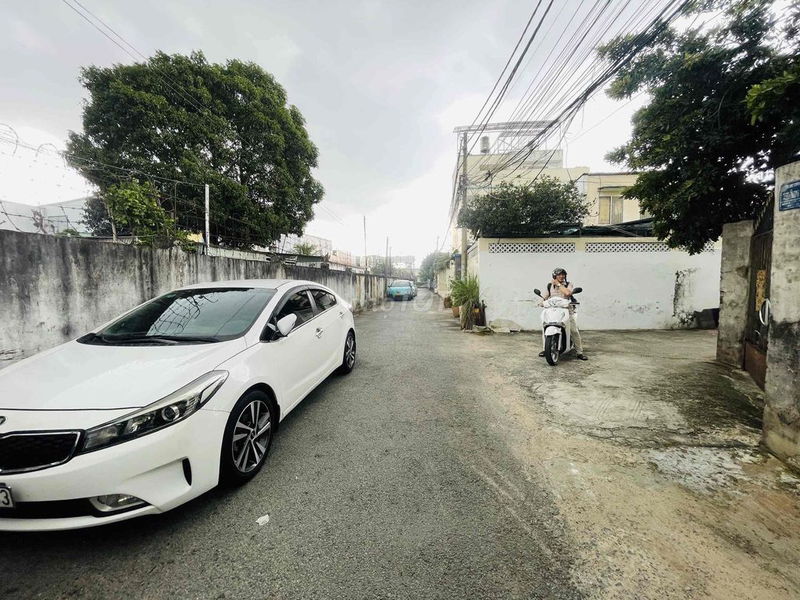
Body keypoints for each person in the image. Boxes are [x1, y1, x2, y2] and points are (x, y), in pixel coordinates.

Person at [537, 267, 588, 360]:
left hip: (566, 310)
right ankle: (546, 349)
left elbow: (568, 293)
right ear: (554, 276)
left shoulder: (568, 284)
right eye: (559, 274)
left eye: (563, 274)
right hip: (553, 310)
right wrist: (540, 301)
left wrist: (558, 284)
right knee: (545, 327)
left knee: (573, 331)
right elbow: (545, 296)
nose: (561, 276)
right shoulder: (549, 286)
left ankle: (579, 352)